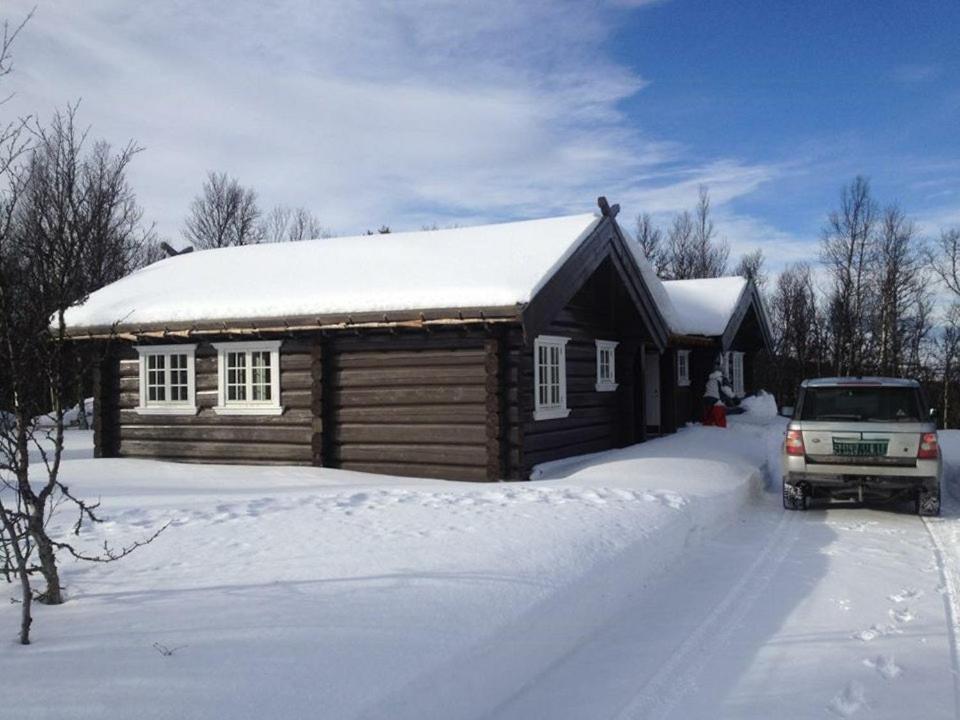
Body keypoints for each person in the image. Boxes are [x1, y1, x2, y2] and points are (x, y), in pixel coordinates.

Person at [703, 357, 735, 427]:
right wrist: (733, 400)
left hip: (706, 399)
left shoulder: (710, 379)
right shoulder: (722, 379)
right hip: (716, 400)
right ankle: (721, 431)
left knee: (709, 416)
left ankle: (707, 428)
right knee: (720, 417)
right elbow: (727, 390)